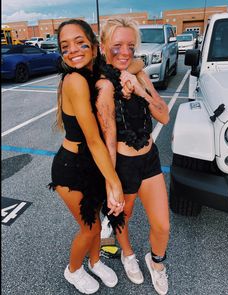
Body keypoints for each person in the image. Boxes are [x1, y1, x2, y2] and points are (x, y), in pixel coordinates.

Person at [48, 19, 126, 294]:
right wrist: (114, 182)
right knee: (90, 228)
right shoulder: (75, 80)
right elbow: (93, 139)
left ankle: (94, 261)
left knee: (93, 215)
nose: (73, 50)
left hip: (92, 165)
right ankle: (73, 270)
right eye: (65, 46)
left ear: (94, 47)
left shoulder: (97, 73)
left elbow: (131, 64)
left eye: (80, 42)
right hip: (70, 169)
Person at [96, 17, 170, 295]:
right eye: (117, 46)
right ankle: (127, 254)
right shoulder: (103, 87)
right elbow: (109, 139)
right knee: (122, 218)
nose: (125, 52)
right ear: (103, 46)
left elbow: (164, 114)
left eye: (130, 45)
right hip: (123, 164)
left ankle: (157, 263)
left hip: (149, 159)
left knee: (162, 225)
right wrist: (111, 184)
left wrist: (140, 89)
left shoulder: (140, 74)